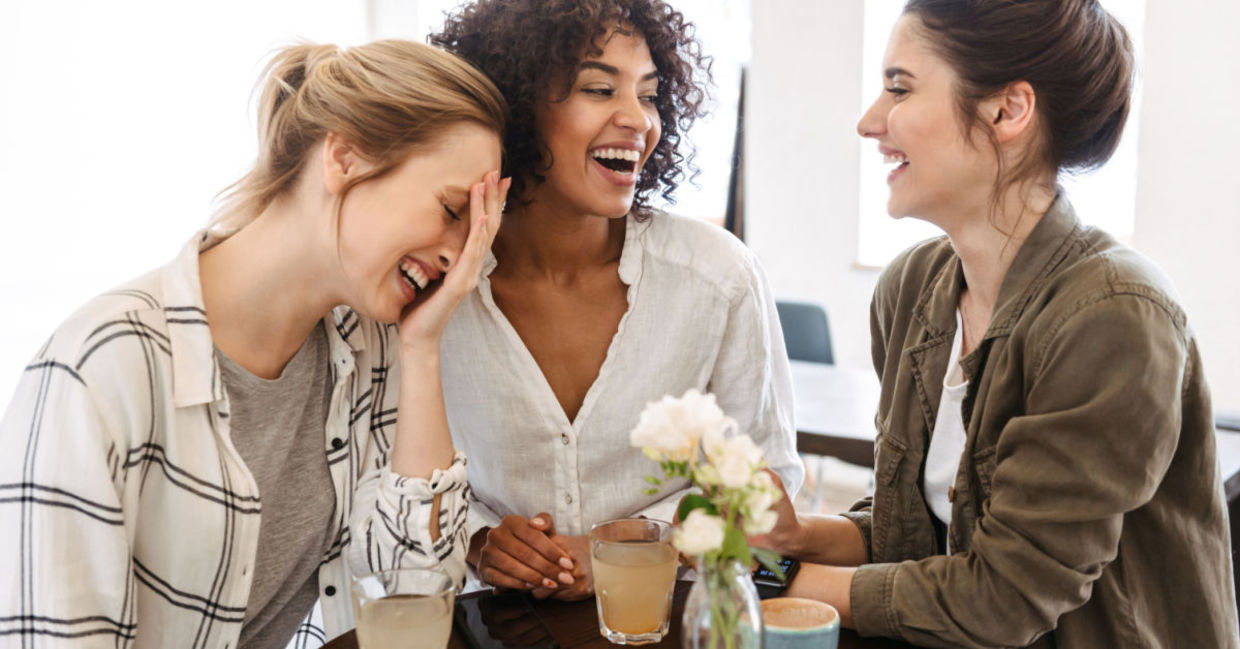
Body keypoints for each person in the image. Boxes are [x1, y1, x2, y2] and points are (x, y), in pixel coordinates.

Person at [750, 1, 1240, 647]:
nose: (870, 121)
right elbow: (926, 530)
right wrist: (800, 537)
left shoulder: (1115, 313)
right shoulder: (910, 288)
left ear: (1008, 111)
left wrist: (773, 577)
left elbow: (1005, 595)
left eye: (899, 87)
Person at [0, 40, 510, 648]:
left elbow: (414, 602)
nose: (462, 259)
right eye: (452, 209)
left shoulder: (371, 346)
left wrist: (424, 348)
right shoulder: (102, 365)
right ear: (344, 158)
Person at [429, 0, 803, 600]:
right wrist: (479, 540)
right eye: (600, 89)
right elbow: (388, 472)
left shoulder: (718, 277)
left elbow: (767, 486)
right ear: (515, 105)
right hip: (496, 624)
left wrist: (635, 544)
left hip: (679, 616)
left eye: (650, 95)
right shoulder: (435, 284)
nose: (637, 119)